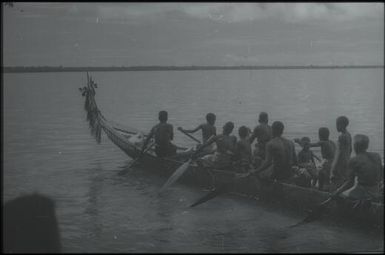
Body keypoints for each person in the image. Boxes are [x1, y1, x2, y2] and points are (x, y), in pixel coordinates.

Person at [331, 134, 383, 202]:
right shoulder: (377, 156)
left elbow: (350, 183)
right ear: (367, 146)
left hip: (365, 192)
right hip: (376, 189)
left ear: (355, 146)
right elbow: (381, 174)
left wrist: (337, 192)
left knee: (341, 196)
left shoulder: (354, 160)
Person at [330, 116, 352, 189]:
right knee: (344, 179)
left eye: (337, 124)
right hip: (347, 160)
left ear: (342, 125)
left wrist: (333, 166)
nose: (336, 127)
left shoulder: (342, 137)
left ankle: (336, 195)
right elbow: (350, 149)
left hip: (341, 162)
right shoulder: (349, 135)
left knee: (337, 180)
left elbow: (339, 153)